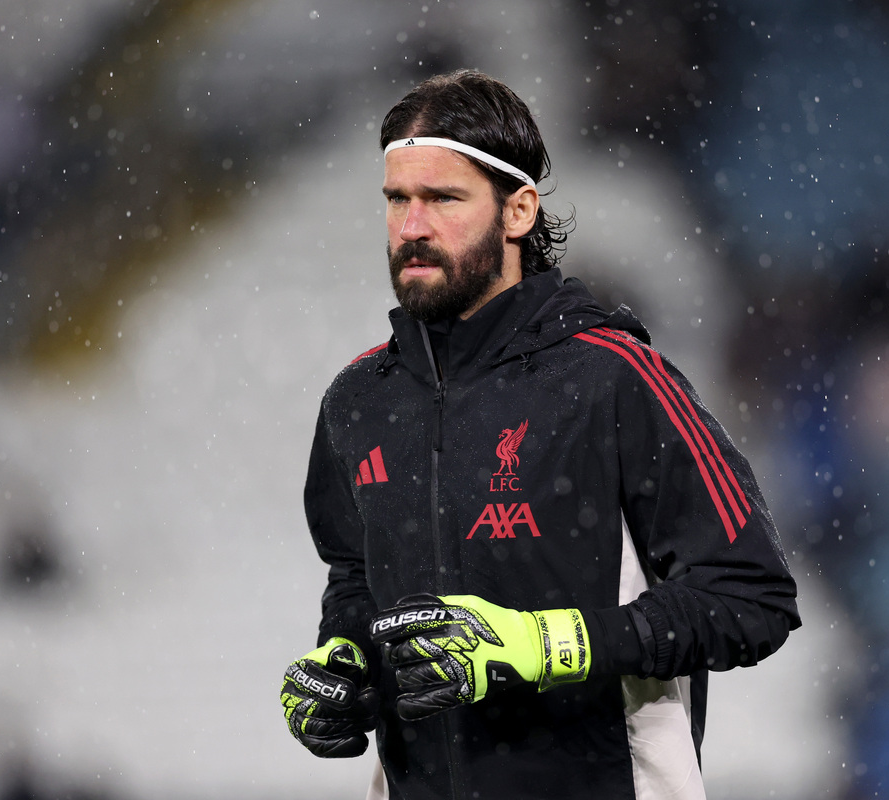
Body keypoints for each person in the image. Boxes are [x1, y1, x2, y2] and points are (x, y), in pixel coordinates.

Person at [279, 69, 801, 800]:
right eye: (397, 199)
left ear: (518, 211)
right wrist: (345, 665)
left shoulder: (616, 377)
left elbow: (752, 598)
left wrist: (541, 645)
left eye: (443, 199)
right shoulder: (358, 401)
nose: (411, 227)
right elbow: (359, 583)